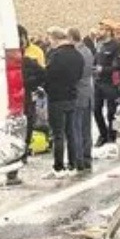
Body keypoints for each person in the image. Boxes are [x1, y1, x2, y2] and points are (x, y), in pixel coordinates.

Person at [42, 27, 84, 178]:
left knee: (58, 134)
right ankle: (72, 165)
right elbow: (79, 75)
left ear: (54, 38)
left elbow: (48, 76)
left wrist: (45, 87)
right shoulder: (78, 55)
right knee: (70, 132)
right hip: (72, 95)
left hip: (56, 97)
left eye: (49, 39)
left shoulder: (56, 55)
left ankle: (58, 167)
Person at [68, 27, 96, 171]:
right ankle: (86, 157)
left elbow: (75, 75)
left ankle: (78, 160)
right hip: (88, 92)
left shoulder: (77, 53)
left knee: (76, 128)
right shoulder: (88, 51)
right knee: (86, 128)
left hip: (78, 92)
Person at [93, 21, 120, 147]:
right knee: (96, 110)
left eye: (102, 29)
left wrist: (103, 69)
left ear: (108, 31)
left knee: (112, 113)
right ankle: (103, 134)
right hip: (98, 82)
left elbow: (118, 66)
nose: (99, 32)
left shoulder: (116, 45)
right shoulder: (99, 44)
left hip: (111, 83)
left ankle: (112, 135)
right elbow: (96, 61)